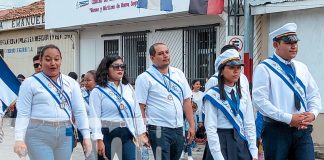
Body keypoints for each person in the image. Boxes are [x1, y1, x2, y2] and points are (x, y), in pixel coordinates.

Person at [252, 22, 322, 160]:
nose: (294, 46)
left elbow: (314, 94)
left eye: (295, 42)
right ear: (276, 45)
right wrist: (288, 118)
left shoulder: (302, 67)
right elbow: (259, 101)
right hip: (277, 130)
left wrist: (313, 113)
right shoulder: (265, 68)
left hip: (302, 130)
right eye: (288, 42)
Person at [13, 44, 92, 160]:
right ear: (40, 60)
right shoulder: (29, 83)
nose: (53, 63)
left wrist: (86, 136)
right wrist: (19, 139)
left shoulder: (71, 83)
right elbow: (23, 113)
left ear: (61, 60)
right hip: (38, 134)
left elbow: (79, 111)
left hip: (66, 132)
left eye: (56, 59)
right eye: (48, 59)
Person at [135, 42, 195, 160]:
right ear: (152, 58)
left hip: (178, 128)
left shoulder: (178, 74)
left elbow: (187, 101)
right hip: (158, 129)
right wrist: (142, 132)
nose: (165, 56)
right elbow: (140, 107)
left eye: (167, 52)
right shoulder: (145, 78)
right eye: (161, 54)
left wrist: (192, 126)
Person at [90, 55, 149, 160]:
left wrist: (141, 133)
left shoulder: (129, 88)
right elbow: (94, 117)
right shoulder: (98, 91)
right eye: (116, 66)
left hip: (127, 132)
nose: (120, 69)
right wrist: (98, 140)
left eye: (122, 66)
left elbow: (137, 112)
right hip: (107, 133)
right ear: (106, 68)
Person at [203, 49, 258, 160]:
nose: (236, 71)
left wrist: (253, 151)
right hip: (220, 141)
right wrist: (218, 156)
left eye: (238, 68)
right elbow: (211, 128)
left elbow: (249, 123)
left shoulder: (242, 93)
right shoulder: (212, 95)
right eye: (231, 68)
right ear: (221, 71)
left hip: (240, 141)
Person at [79, 70, 99, 160]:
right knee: (90, 157)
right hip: (85, 130)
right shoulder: (80, 93)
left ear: (96, 80)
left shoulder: (101, 93)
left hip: (100, 130)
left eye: (88, 80)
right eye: (84, 80)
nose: (85, 83)